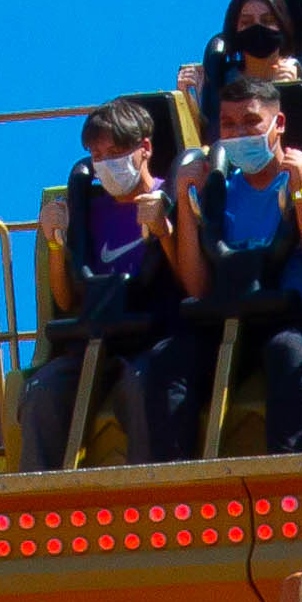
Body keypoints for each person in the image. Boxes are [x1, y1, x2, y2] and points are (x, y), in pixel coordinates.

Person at [156, 83, 302, 455]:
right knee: (169, 356)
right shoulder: (220, 190)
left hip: (292, 314)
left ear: (279, 123)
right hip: (230, 314)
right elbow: (196, 286)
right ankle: (176, 485)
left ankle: (286, 483)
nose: (239, 134)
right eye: (228, 125)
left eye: (252, 122)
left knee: (287, 351)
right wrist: (187, 197)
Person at [22, 101, 179, 466]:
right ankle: (39, 507)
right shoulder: (87, 209)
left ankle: (149, 501)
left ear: (145, 149)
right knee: (41, 391)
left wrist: (163, 230)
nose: (106, 163)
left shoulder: (168, 197)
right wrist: (54, 242)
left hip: (148, 335)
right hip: (94, 335)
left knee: (141, 387)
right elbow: (65, 298)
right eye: (97, 154)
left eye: (116, 152)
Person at [203, 0, 302, 117]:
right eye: (247, 22)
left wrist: (295, 93)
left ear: (282, 25)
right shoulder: (218, 82)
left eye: (267, 21)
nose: (257, 28)